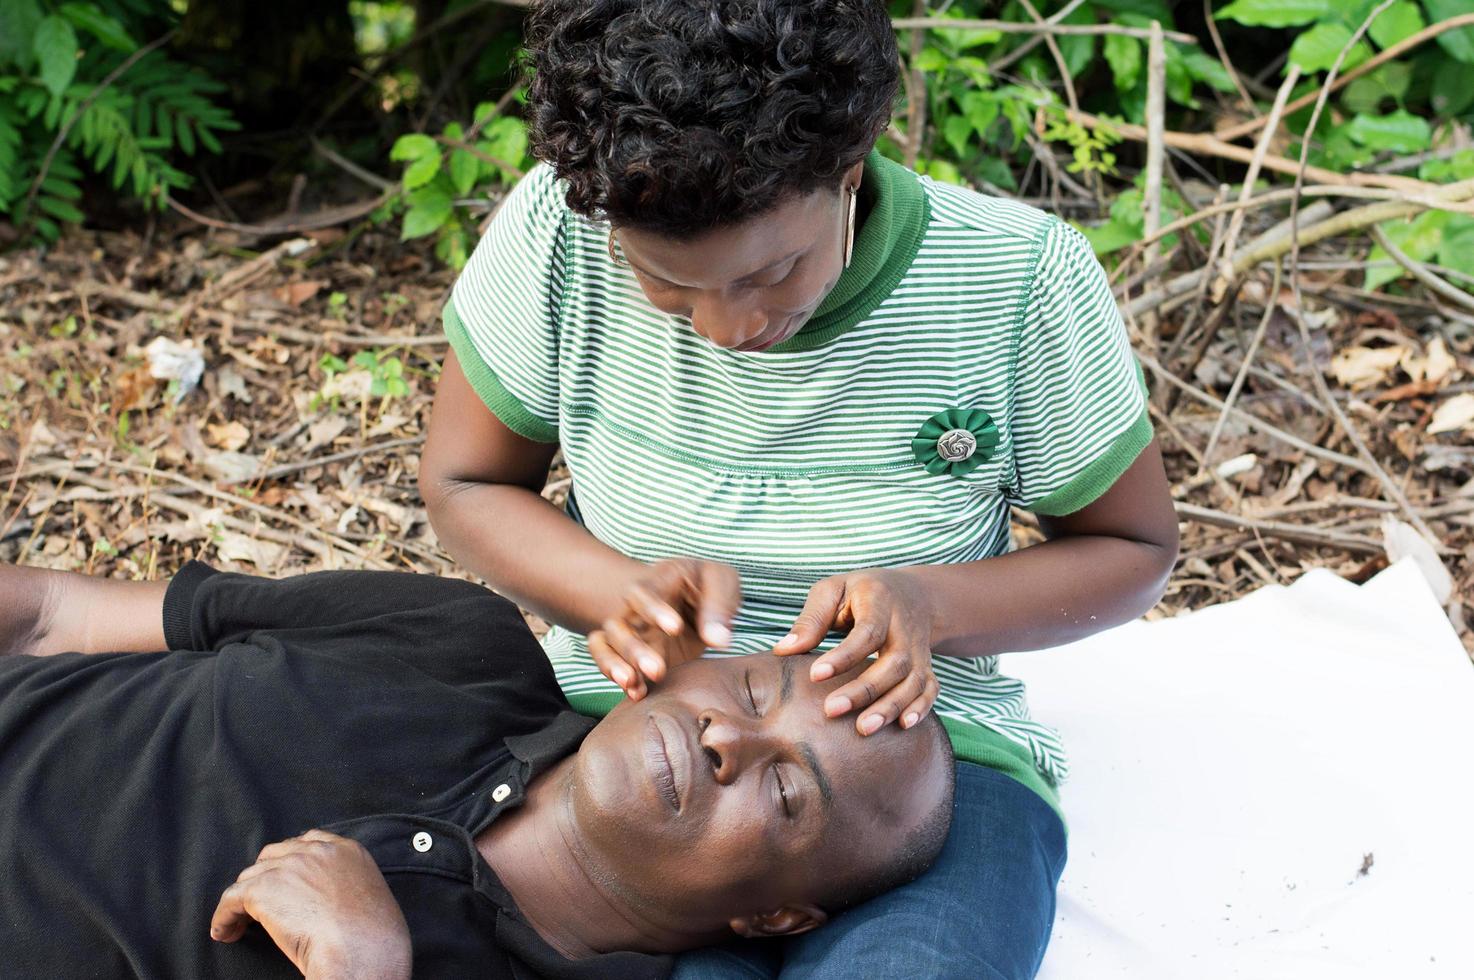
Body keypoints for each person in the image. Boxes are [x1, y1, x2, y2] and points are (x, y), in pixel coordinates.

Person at [419, 2, 1180, 977]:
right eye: (666, 282)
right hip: (627, 736)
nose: (727, 327)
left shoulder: (1013, 279)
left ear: (850, 171)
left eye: (775, 270)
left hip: (921, 762)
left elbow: (1132, 551)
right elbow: (466, 483)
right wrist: (615, 593)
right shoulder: (558, 231)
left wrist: (930, 604)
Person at [0, 560, 954, 980]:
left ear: (774, 917)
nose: (724, 742)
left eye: (785, 791)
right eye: (750, 695)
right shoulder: (455, 637)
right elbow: (51, 614)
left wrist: (362, 971)